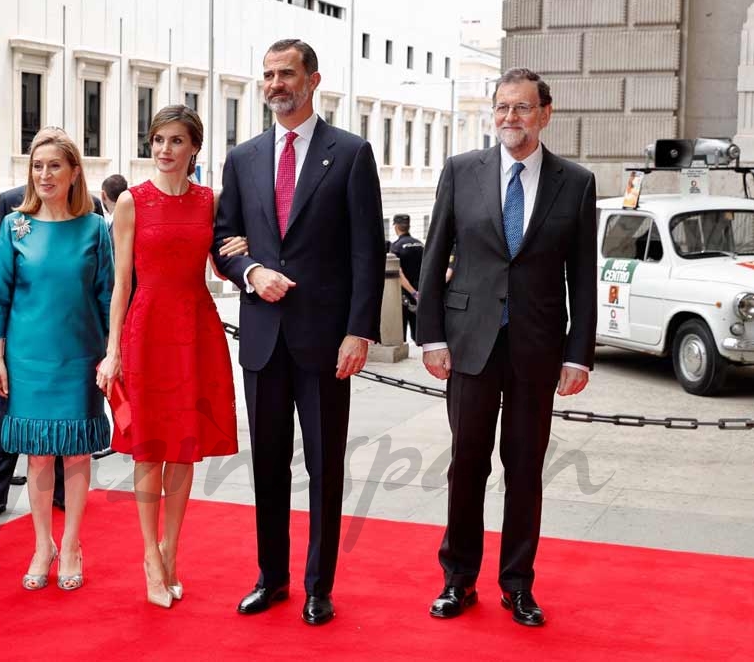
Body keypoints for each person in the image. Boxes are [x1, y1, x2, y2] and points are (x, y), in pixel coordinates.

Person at [212, 38, 385, 626]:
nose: (275, 84)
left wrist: (359, 331)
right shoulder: (243, 157)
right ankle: (272, 577)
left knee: (324, 467)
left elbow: (368, 251)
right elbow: (224, 239)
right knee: (267, 465)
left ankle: (318, 585)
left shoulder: (352, 153)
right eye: (267, 75)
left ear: (313, 80)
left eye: (286, 73)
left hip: (325, 340)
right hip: (262, 339)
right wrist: (252, 270)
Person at [417, 67, 597, 627]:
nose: (509, 118)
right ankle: (458, 579)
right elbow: (434, 255)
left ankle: (518, 584)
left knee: (524, 467)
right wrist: (430, 336)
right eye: (501, 108)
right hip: (469, 342)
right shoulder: (461, 171)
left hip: (537, 348)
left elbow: (582, 277)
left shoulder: (576, 182)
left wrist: (577, 353)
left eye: (521, 108)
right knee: (466, 464)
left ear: (545, 113)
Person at [98, 106, 242, 608]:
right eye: (157, 139)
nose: (163, 149)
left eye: (175, 141)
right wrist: (112, 351)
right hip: (147, 328)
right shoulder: (131, 203)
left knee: (183, 446)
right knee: (149, 446)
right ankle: (149, 558)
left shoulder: (212, 202)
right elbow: (120, 284)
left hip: (196, 328)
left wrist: (241, 250)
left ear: (194, 148)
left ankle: (172, 551)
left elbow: (222, 267)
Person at [0, 130, 113, 592]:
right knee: (38, 456)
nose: (44, 175)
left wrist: (112, 356)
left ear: (74, 172)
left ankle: (74, 543)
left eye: (54, 166)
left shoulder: (95, 229)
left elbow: (108, 297)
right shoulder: (14, 226)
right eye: (37, 167)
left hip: (80, 356)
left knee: (77, 454)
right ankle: (43, 545)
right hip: (27, 359)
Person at [389, 214, 424, 345]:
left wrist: (413, 292)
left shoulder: (396, 246)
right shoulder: (420, 244)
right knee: (419, 335)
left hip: (405, 294)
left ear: (396, 227)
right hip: (421, 292)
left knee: (401, 334)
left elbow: (399, 273)